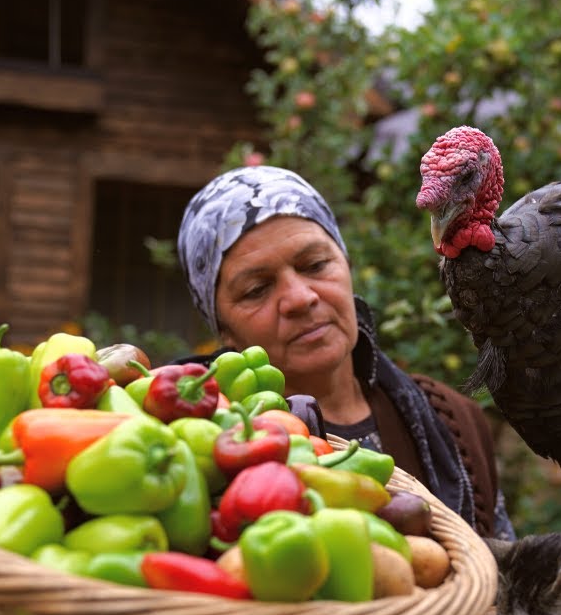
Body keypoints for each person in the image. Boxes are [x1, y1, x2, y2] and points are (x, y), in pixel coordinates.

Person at [176, 165, 515, 541]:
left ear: (346, 265)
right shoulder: (203, 450)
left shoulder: (456, 424)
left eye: (316, 265)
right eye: (257, 289)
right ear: (223, 328)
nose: (301, 299)